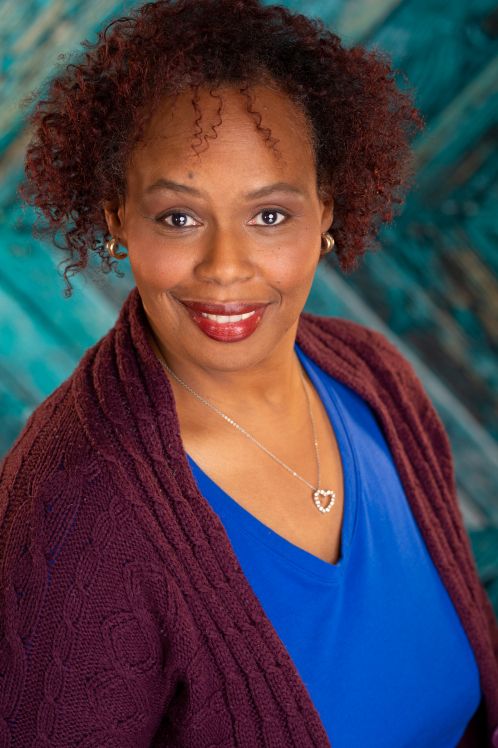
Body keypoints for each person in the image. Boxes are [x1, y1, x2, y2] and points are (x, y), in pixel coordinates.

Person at [1, 0, 497, 745]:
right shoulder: (76, 507)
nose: (226, 266)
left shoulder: (375, 379)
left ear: (326, 210)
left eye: (270, 215)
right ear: (116, 218)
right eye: (178, 217)